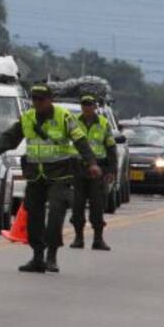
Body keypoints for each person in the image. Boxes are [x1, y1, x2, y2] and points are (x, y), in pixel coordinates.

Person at [0, 84, 101, 274]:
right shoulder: (28, 117)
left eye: (41, 99)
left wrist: (92, 163)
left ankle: (51, 256)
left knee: (55, 213)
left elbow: (80, 141)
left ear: (50, 100)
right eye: (34, 99)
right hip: (35, 175)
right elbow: (10, 137)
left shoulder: (63, 117)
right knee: (33, 217)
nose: (37, 103)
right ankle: (37, 257)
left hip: (59, 174)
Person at [69, 94, 117, 251]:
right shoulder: (74, 122)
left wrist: (111, 170)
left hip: (98, 170)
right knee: (77, 205)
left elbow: (111, 148)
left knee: (97, 205)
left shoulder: (103, 123)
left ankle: (98, 239)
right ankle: (78, 238)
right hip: (78, 168)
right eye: (84, 104)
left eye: (89, 104)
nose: (86, 107)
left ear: (95, 107)